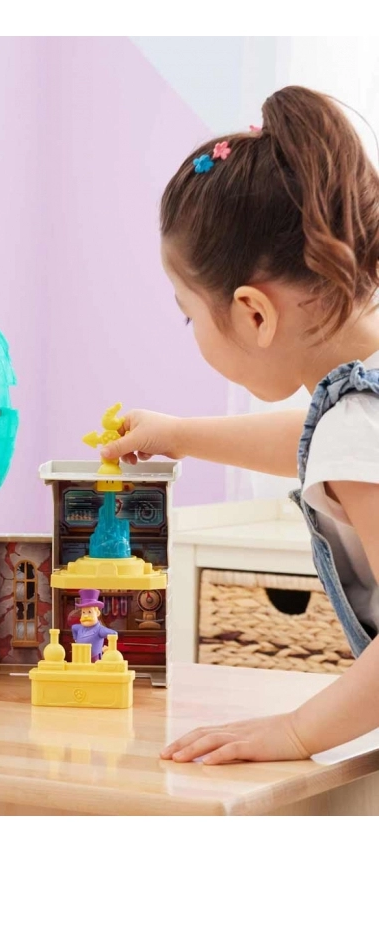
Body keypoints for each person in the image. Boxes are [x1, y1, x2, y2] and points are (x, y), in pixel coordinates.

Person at [100, 86, 379, 765]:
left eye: (189, 314)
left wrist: (297, 731)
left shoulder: (353, 429)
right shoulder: (356, 409)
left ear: (254, 314)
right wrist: (179, 435)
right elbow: (324, 444)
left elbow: (343, 448)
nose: (192, 328)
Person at [71, 589, 115, 661]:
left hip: (94, 660)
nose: (85, 615)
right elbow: (73, 628)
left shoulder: (99, 629)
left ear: (97, 613)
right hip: (79, 659)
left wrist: (110, 648)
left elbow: (113, 634)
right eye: (83, 612)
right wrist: (75, 638)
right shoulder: (79, 628)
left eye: (89, 612)